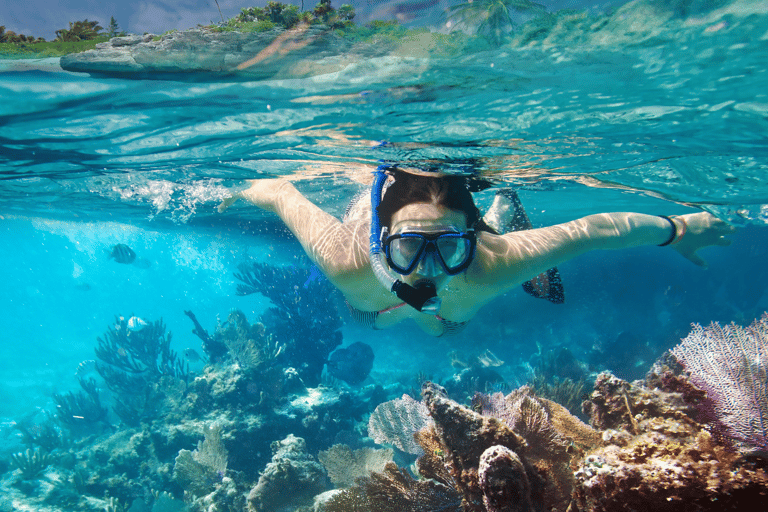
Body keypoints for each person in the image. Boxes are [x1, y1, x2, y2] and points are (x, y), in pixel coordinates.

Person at [219, 166, 735, 337]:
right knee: (373, 317)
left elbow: (592, 229)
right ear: (381, 243)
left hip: (474, 252)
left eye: (447, 247)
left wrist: (679, 228)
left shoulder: (493, 262)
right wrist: (239, 190)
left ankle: (500, 211)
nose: (426, 269)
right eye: (407, 248)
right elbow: (281, 191)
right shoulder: (347, 260)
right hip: (373, 301)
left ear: (470, 240)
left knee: (444, 326)